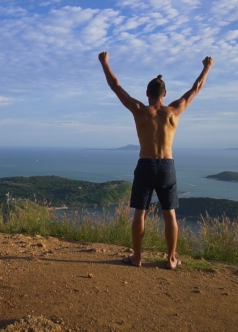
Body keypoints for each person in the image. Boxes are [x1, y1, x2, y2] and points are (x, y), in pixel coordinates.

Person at [98, 51, 214, 269]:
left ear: (147, 93)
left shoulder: (140, 110)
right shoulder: (174, 111)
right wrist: (207, 67)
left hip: (146, 164)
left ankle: (137, 257)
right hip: (167, 166)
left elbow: (115, 86)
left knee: (140, 212)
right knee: (169, 214)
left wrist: (104, 62)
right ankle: (171, 259)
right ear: (165, 93)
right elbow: (195, 89)